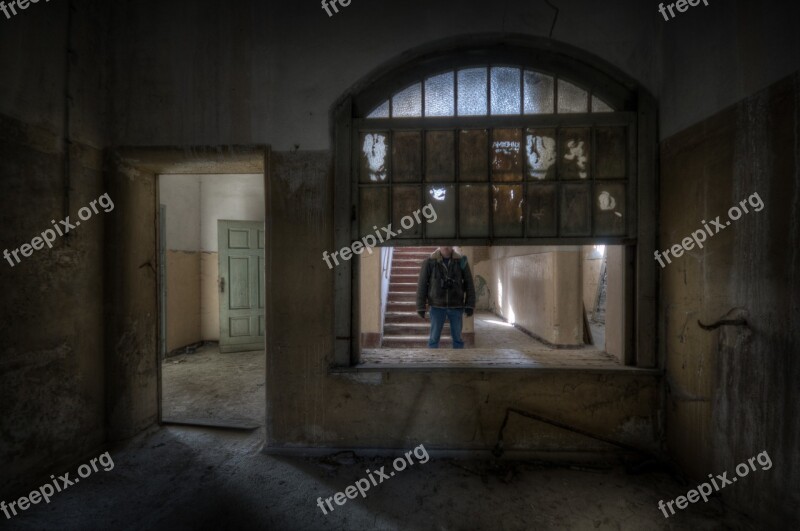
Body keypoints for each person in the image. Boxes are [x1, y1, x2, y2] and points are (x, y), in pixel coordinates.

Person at [415, 246, 476, 349]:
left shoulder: (461, 261)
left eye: (448, 243)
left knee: (457, 338)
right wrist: (420, 306)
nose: (446, 246)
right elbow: (422, 284)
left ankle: (458, 362)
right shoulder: (429, 262)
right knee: (433, 339)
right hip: (436, 306)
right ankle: (432, 360)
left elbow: (469, 283)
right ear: (439, 245)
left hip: (456, 306)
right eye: (443, 243)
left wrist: (470, 304)